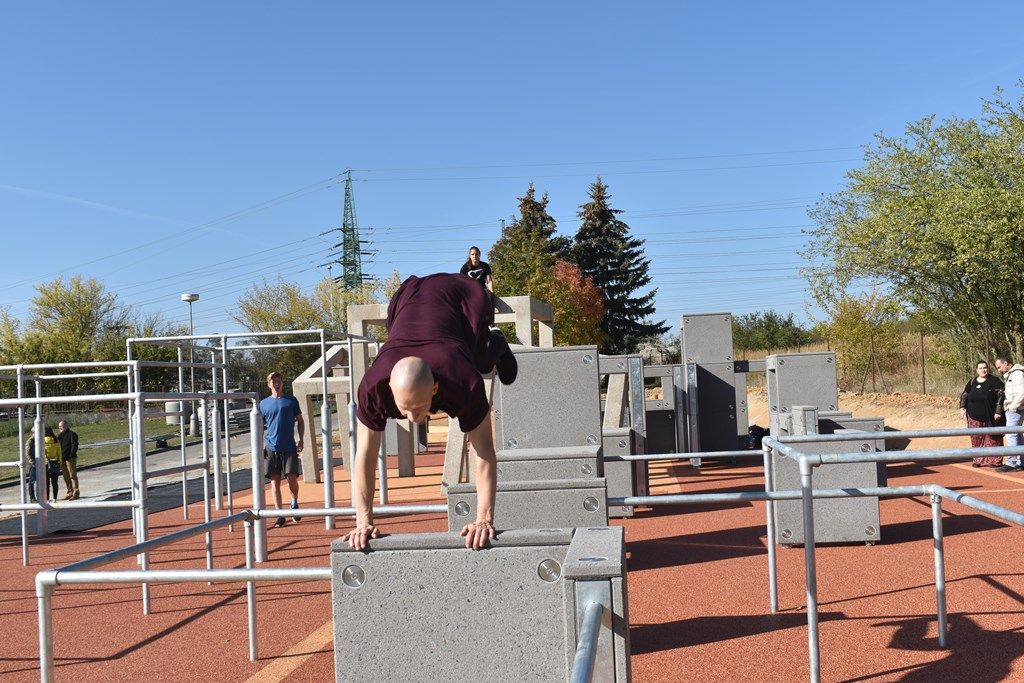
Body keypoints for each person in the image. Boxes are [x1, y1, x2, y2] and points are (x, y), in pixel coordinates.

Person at [345, 273, 517, 551]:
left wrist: (484, 518)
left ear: (436, 388)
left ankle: (493, 340)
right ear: (389, 387)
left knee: (478, 358)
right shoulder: (372, 386)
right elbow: (364, 454)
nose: (413, 418)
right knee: (465, 355)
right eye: (405, 409)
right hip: (410, 297)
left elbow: (484, 451)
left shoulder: (462, 382)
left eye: (420, 408)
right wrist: (362, 520)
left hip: (460, 295)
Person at [259, 372, 305, 527]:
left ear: (282, 383)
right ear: (269, 384)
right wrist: (260, 446)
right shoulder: (264, 404)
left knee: (292, 479)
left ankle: (294, 503)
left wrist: (301, 439)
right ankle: (279, 514)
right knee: (275, 482)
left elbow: (300, 420)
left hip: (289, 446)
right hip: (272, 447)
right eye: (273, 381)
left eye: (279, 381)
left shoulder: (291, 401)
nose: (276, 383)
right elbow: (259, 426)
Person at [960, 360, 1004, 467]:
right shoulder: (972, 381)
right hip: (974, 416)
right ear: (977, 370)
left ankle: (994, 461)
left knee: (993, 438)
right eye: (980, 368)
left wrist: (998, 411)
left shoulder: (995, 381)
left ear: (988, 369)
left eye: (985, 368)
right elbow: (965, 395)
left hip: (990, 415)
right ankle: (978, 460)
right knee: (976, 438)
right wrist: (962, 407)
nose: (983, 370)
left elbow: (1001, 396)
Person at [995, 356, 1024, 472]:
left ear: (1006, 363)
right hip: (1016, 408)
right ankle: (1021, 461)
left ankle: (1012, 462)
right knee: (1017, 435)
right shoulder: (1012, 374)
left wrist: (1012, 407)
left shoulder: (1016, 374)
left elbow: (1021, 392)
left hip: (1016, 408)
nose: (999, 370)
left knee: (1011, 435)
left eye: (999, 367)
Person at [58, 420, 80, 499]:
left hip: (70, 458)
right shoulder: (60, 436)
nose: (60, 427)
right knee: (66, 476)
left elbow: (75, 445)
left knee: (72, 475)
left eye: (62, 426)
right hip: (62, 459)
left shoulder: (72, 434)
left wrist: (71, 455)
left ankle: (76, 493)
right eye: (59, 426)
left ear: (66, 426)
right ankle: (69, 491)